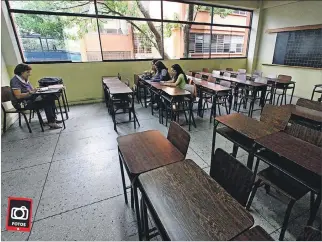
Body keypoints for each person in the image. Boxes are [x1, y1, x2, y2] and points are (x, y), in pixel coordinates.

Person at [10, 63, 62, 129]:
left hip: (30, 98)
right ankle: (51, 122)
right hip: (22, 103)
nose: (29, 74)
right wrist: (30, 93)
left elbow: (30, 90)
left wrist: (37, 90)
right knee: (47, 101)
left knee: (51, 97)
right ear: (22, 72)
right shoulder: (15, 81)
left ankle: (52, 119)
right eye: (27, 72)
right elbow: (18, 96)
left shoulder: (24, 79)